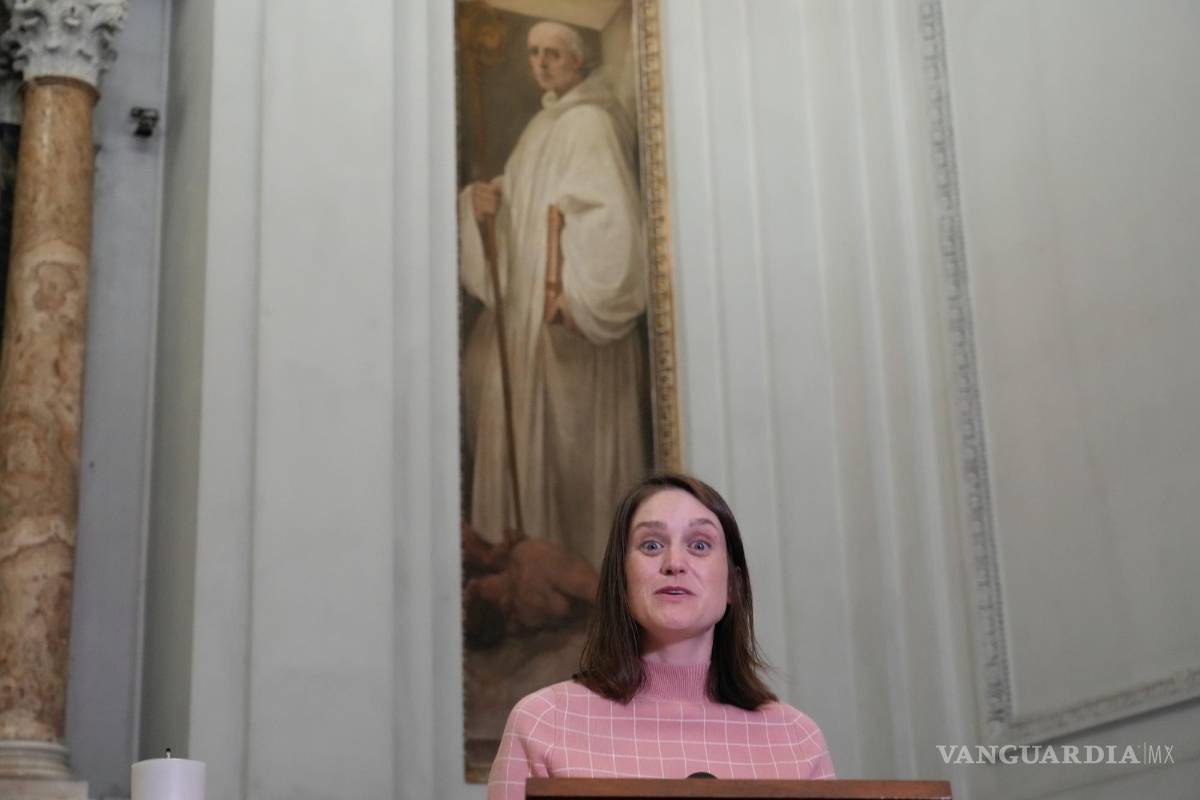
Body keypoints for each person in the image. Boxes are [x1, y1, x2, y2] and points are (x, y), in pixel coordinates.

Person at [487, 473, 836, 798]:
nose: (674, 563)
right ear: (621, 581)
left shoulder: (796, 738)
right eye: (651, 545)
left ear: (733, 584)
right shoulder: (542, 721)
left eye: (699, 545)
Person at [459, 19, 650, 568]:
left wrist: (576, 296)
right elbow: (518, 205)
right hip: (523, 310)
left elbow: (609, 219)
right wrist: (482, 204)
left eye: (553, 54)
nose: (541, 63)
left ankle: (582, 564)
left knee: (569, 438)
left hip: (562, 312)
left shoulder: (588, 123)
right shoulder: (543, 127)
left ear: (578, 61)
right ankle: (526, 556)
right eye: (534, 53)